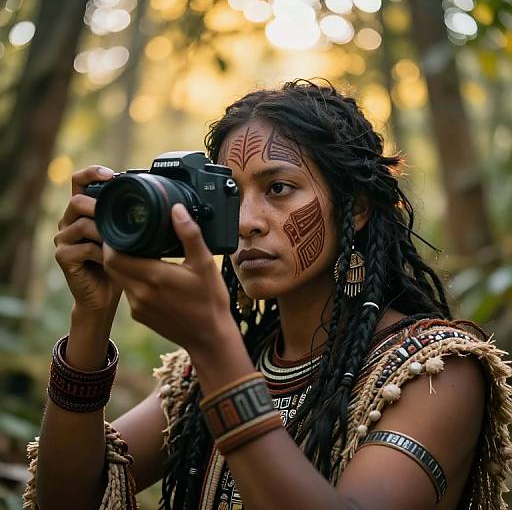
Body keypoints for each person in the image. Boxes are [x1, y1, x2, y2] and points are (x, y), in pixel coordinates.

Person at [24, 80, 512, 510]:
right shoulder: (195, 379)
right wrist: (91, 316)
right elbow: (70, 500)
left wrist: (215, 348)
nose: (245, 222)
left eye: (278, 188)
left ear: (357, 208)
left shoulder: (434, 370)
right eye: (231, 195)